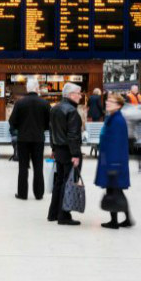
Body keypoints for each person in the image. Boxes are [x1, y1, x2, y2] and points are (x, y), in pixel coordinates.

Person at [95, 93, 133, 229]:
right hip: (111, 160)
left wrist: (113, 165)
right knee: (115, 191)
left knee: (113, 191)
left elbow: (117, 144)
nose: (107, 103)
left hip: (113, 161)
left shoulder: (117, 120)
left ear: (119, 105)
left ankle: (114, 221)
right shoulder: (112, 118)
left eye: (111, 101)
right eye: (107, 101)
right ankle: (127, 219)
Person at [48, 82, 84, 226]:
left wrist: (53, 148)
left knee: (59, 181)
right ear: (70, 95)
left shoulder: (55, 108)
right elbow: (73, 135)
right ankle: (64, 215)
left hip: (59, 150)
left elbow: (51, 131)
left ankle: (53, 213)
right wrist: (75, 154)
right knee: (68, 182)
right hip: (69, 151)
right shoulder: (72, 111)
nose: (80, 96)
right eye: (78, 93)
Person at [8, 79, 50, 200]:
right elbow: (49, 123)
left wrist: (19, 129)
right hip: (38, 139)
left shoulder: (20, 103)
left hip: (23, 139)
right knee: (38, 167)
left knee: (23, 167)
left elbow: (12, 121)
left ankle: (22, 193)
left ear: (27, 89)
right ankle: (39, 193)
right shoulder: (44, 103)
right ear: (37, 88)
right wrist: (41, 127)